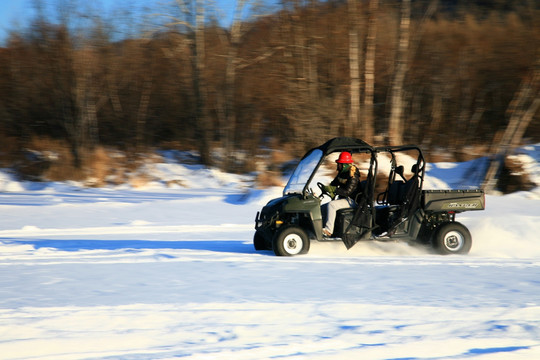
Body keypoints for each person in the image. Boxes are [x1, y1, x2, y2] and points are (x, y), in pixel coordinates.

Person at [321, 151, 361, 237]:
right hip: (344, 199)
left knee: (332, 205)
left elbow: (348, 192)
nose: (337, 166)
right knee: (322, 207)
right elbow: (334, 184)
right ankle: (320, 229)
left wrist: (335, 189)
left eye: (339, 164)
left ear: (344, 165)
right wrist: (327, 188)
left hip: (352, 200)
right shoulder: (342, 174)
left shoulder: (353, 175)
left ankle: (328, 231)